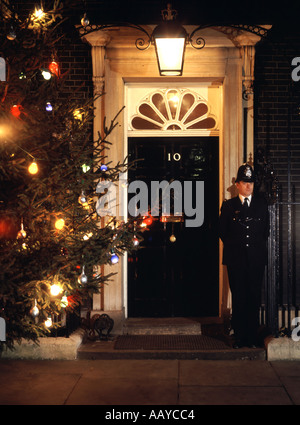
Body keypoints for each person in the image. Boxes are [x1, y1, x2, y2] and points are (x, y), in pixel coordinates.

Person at [219, 164, 269, 348]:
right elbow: (222, 231)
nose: (248, 186)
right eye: (245, 182)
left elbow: (265, 231)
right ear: (237, 184)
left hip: (255, 259)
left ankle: (252, 337)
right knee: (239, 297)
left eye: (251, 183)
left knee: (253, 297)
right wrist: (237, 245)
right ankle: (240, 337)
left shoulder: (261, 205)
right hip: (236, 260)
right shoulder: (228, 206)